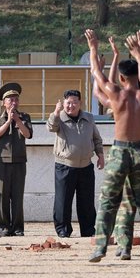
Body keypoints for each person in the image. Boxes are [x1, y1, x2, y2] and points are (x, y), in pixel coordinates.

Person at [85, 29, 140, 263]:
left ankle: (100, 247)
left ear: (122, 78)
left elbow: (97, 75)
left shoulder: (116, 95)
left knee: (109, 200)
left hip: (120, 150)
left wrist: (94, 48)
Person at [46, 89, 104, 238]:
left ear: (80, 103)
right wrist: (56, 112)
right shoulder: (59, 117)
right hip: (65, 165)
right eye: (68, 102)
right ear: (63, 103)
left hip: (86, 165)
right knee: (63, 200)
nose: (71, 106)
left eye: (74, 102)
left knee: (87, 201)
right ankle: (63, 230)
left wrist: (100, 155)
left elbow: (96, 138)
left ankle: (88, 230)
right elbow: (51, 127)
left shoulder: (89, 118)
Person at [0, 82, 33, 236]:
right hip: (1, 161)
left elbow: (27, 134)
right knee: (2, 196)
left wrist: (18, 121)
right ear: (4, 103)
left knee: (17, 196)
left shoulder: (25, 117)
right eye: (10, 100)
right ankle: (3, 226)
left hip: (19, 161)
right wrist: (8, 121)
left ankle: (17, 227)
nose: (14, 102)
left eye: (16, 99)